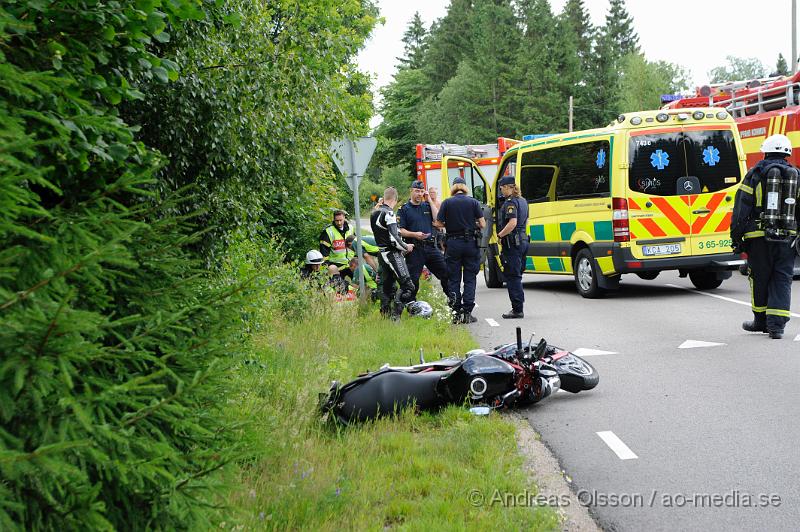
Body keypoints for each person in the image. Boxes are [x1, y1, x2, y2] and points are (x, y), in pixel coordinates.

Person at [731, 133, 799, 339]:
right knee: (782, 278)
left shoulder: (755, 175)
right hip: (787, 236)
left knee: (760, 277)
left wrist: (736, 237)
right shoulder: (795, 175)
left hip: (758, 237)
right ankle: (777, 326)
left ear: (765, 150)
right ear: (787, 152)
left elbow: (741, 209)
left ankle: (760, 320)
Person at [434, 176, 485, 324]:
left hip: (453, 245)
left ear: (453, 188)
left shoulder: (447, 202)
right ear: (465, 188)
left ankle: (456, 313)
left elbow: (438, 223)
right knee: (470, 278)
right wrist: (470, 223)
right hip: (470, 244)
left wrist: (451, 223)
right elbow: (482, 224)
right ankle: (468, 313)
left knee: (454, 279)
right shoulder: (473, 202)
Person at [370, 187, 416, 319]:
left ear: (384, 198)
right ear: (395, 200)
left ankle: (385, 315)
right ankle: (396, 316)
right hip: (392, 254)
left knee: (387, 286)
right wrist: (406, 247)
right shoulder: (389, 214)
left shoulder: (374, 213)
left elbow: (384, 232)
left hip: (381, 254)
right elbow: (394, 238)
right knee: (408, 286)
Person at [398, 180, 448, 298]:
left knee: (447, 273)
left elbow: (437, 219)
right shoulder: (404, 209)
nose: (419, 194)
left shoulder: (427, 205)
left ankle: (452, 302)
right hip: (415, 249)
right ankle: (411, 305)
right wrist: (414, 234)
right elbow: (400, 230)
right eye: (417, 191)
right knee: (413, 280)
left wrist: (429, 200)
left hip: (431, 247)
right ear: (411, 191)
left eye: (421, 191)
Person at [496, 175, 529, 319]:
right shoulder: (523, 201)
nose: (501, 191)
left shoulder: (510, 203)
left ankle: (517, 309)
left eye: (502, 188)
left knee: (512, 276)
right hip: (523, 241)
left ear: (509, 187)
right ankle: (518, 305)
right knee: (517, 274)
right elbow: (526, 221)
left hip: (513, 243)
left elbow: (512, 223)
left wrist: (500, 235)